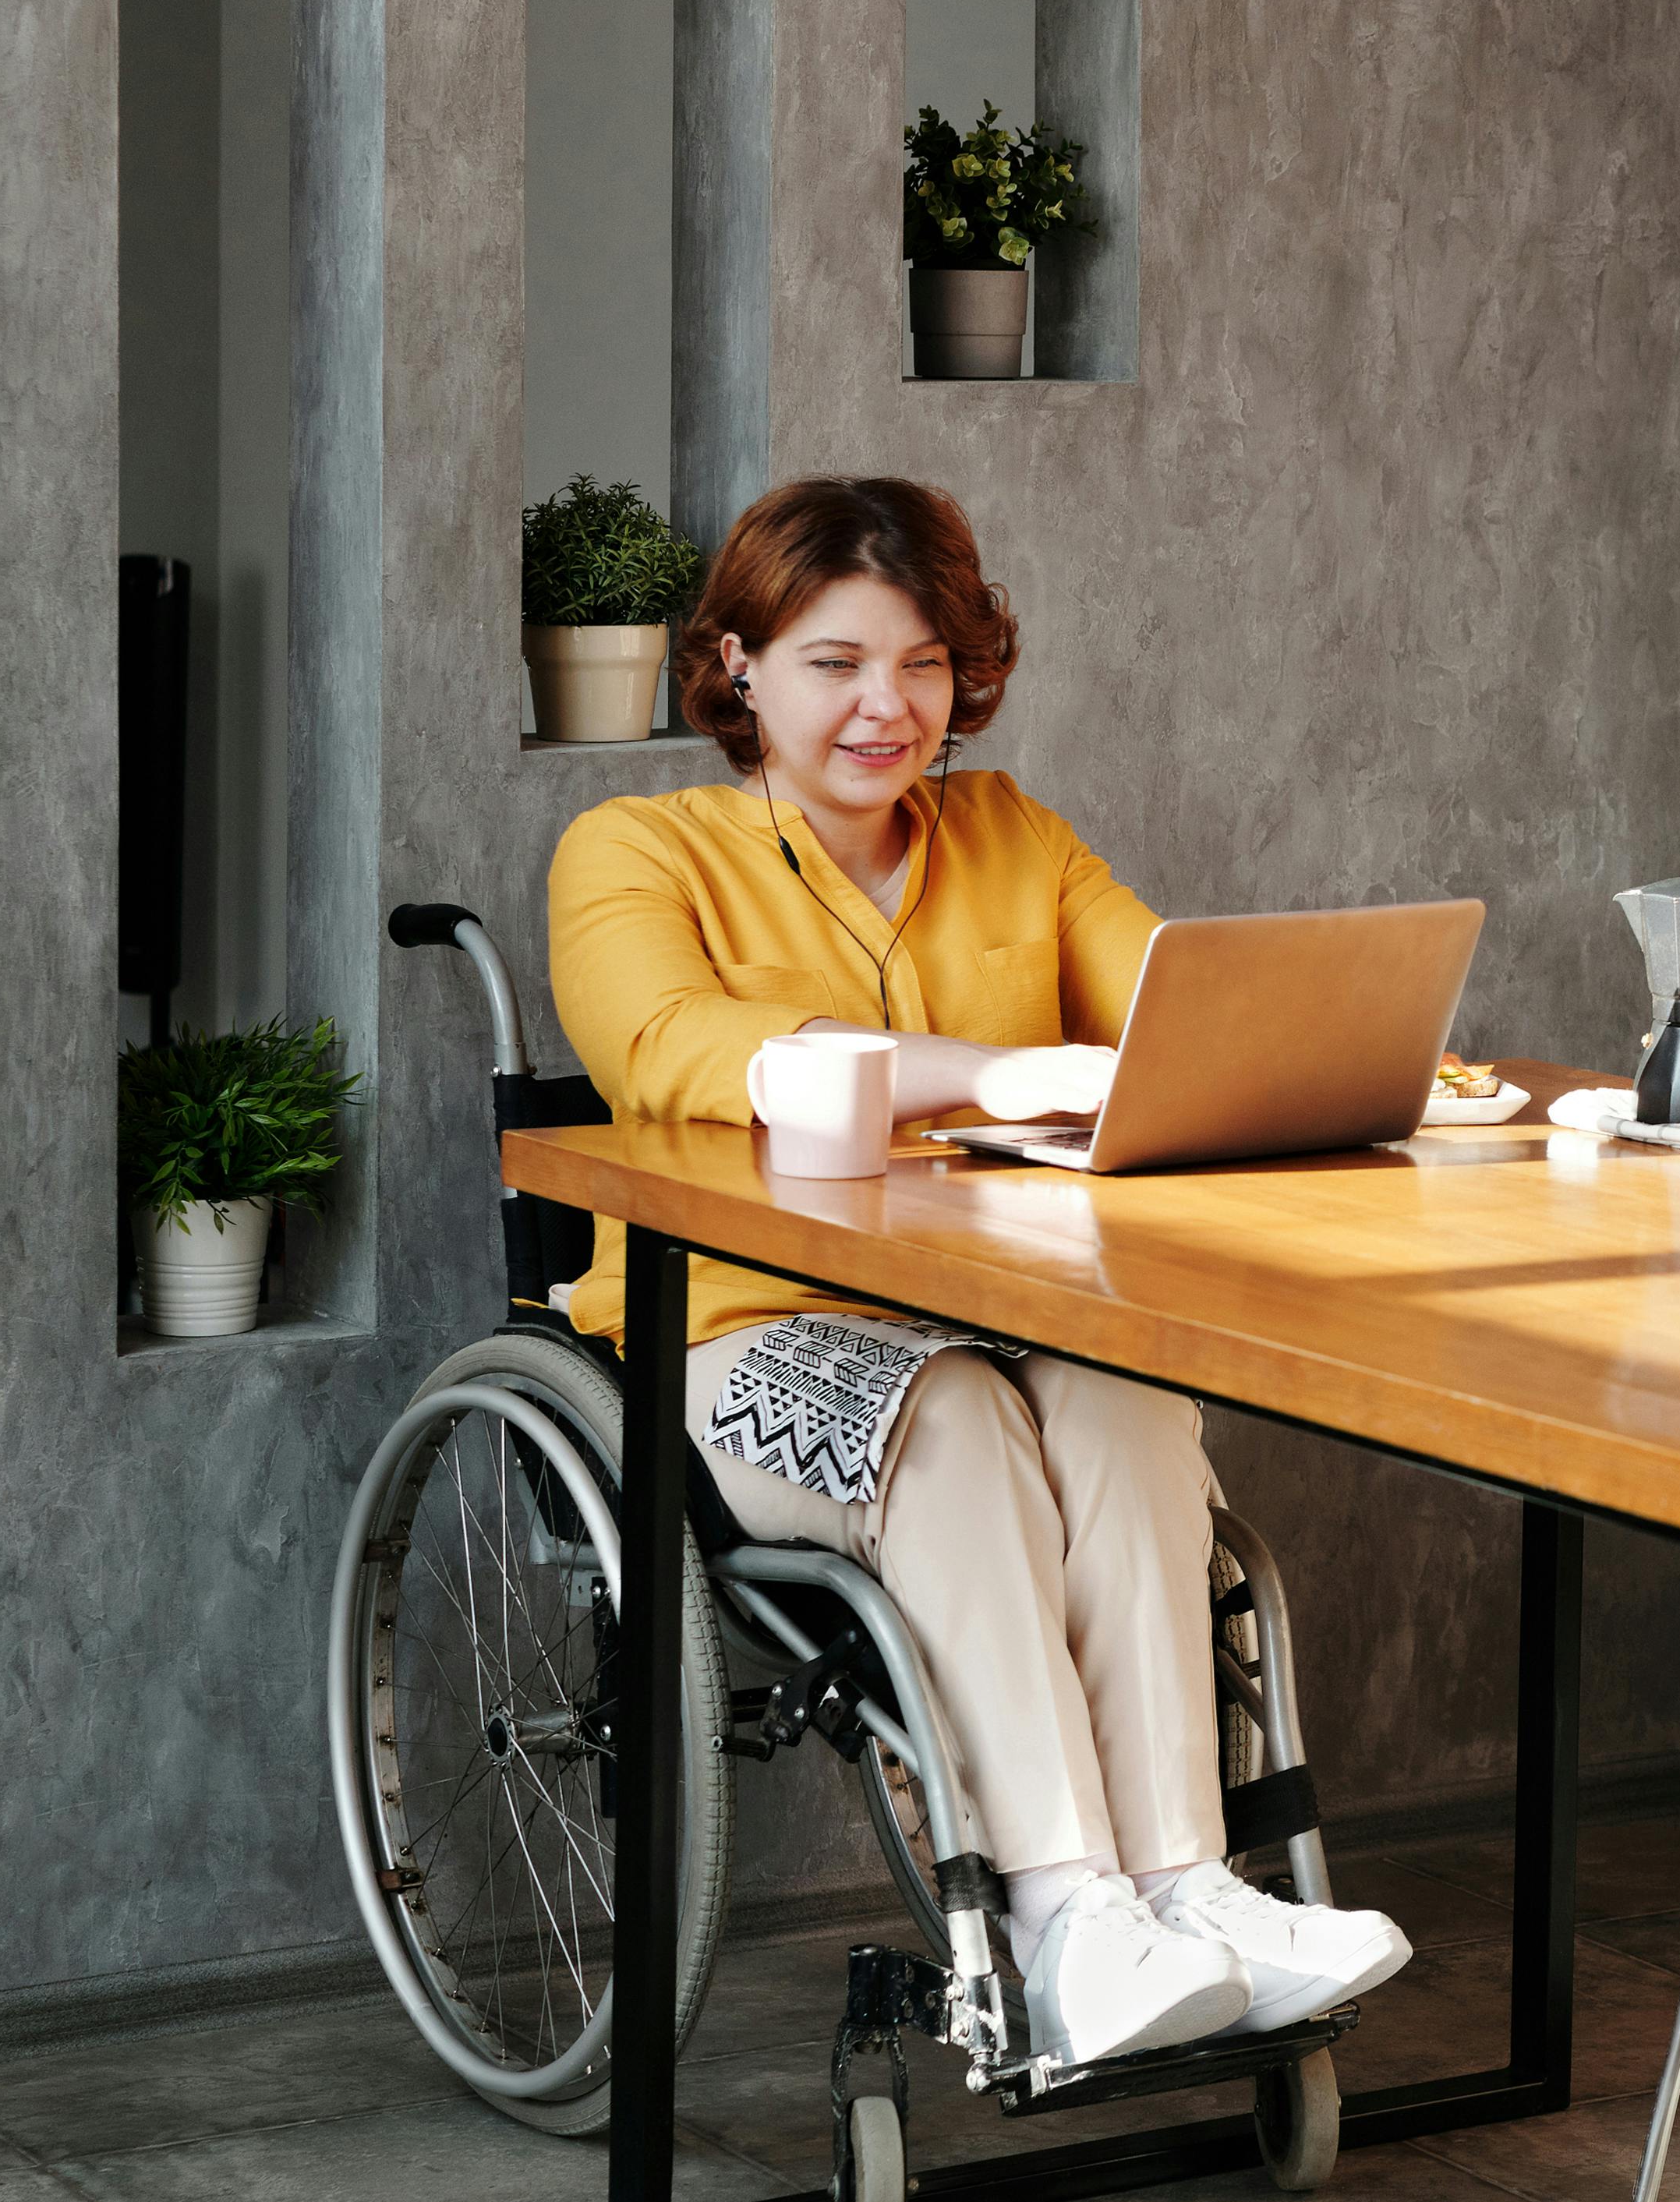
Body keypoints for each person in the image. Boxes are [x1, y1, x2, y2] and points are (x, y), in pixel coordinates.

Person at [546, 475, 1409, 2068]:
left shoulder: (1015, 837)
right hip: (739, 1330)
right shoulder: (632, 851)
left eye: (926, 661)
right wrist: (991, 1075)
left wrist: (1329, 1051)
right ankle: (1065, 1912)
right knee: (950, 1420)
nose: (890, 703)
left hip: (1012, 1310)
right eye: (836, 661)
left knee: (1130, 1401)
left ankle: (1190, 1888)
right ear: (736, 663)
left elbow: (1177, 1011)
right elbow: (671, 1048)